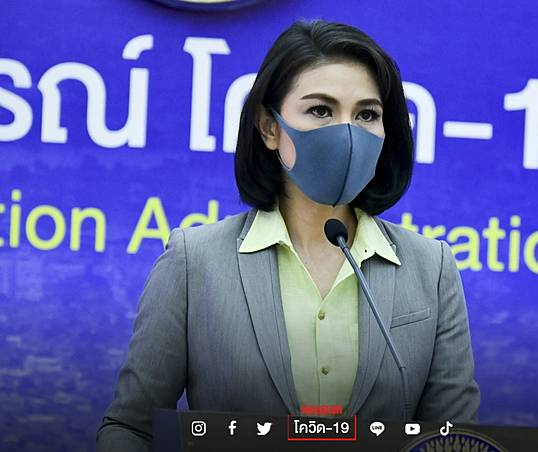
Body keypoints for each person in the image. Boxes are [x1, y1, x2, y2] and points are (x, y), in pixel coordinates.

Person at [96, 19, 479, 451]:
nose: (348, 133)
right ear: (270, 127)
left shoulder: (432, 268)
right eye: (321, 111)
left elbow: (455, 438)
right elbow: (131, 428)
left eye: (367, 115)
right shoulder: (194, 262)